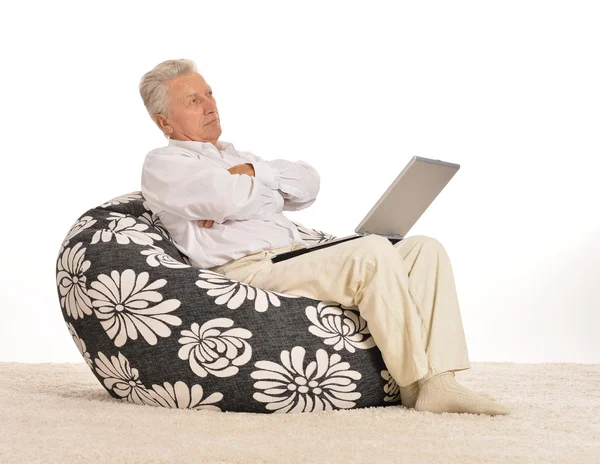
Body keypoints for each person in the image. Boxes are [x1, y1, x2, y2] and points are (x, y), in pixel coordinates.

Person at [139, 58, 510, 416]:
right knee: (371, 252)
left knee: (425, 249)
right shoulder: (165, 165)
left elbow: (308, 184)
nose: (210, 106)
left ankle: (442, 379)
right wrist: (265, 193)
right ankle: (416, 384)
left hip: (294, 257)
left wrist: (253, 173)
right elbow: (227, 196)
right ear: (165, 122)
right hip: (248, 272)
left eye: (209, 93)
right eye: (193, 100)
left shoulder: (239, 155)